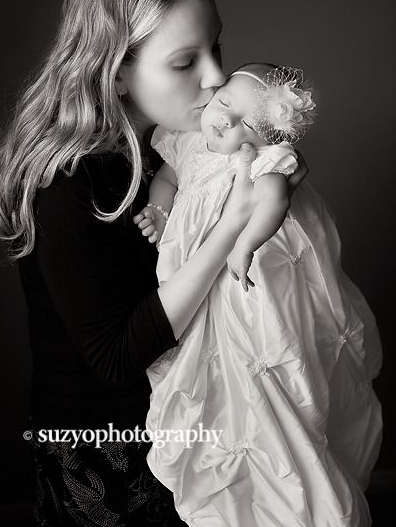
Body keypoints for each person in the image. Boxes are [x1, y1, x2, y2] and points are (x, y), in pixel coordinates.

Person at [0, 0, 308, 527]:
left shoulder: (178, 145)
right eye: (185, 61)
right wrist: (234, 225)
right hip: (108, 450)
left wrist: (277, 173)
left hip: (195, 422)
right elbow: (116, 356)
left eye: (215, 46)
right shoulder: (67, 181)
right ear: (113, 74)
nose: (218, 75)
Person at [134, 63, 383, 526]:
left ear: (266, 137)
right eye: (225, 103)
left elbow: (274, 201)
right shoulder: (188, 139)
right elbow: (168, 177)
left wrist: (244, 246)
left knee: (255, 365)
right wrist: (159, 208)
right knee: (205, 370)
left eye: (247, 123)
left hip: (243, 278)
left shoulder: (259, 160)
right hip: (192, 274)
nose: (226, 120)